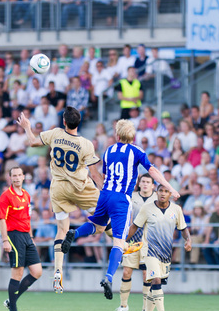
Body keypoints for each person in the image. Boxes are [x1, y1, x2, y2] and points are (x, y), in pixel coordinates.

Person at [61, 120, 179, 300]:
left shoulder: (108, 151)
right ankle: (108, 278)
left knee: (98, 226)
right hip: (122, 199)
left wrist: (105, 192)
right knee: (118, 242)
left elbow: (100, 175)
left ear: (117, 135)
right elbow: (152, 170)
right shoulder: (136, 151)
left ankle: (74, 233)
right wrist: (169, 187)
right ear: (133, 137)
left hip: (105, 194)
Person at [17, 106, 102, 293]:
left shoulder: (55, 134)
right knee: (105, 219)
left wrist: (27, 126)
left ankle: (57, 272)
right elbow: (95, 174)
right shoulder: (86, 144)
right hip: (80, 187)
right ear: (78, 123)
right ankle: (124, 244)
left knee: (61, 230)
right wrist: (106, 189)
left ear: (64, 122)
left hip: (58, 188)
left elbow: (32, 142)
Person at [126, 184, 191, 311]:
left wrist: (188, 240)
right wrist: (123, 242)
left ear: (170, 194)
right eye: (160, 190)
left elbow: (183, 228)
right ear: (156, 192)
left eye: (166, 191)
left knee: (156, 286)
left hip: (166, 253)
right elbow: (135, 226)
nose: (163, 193)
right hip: (149, 251)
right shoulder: (147, 208)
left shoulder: (176, 210)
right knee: (155, 280)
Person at [0, 166, 43, 311]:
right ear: (10, 178)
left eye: (19, 175)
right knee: (17, 273)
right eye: (14, 176)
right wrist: (5, 240)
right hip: (13, 235)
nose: (17, 178)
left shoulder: (26, 195)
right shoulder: (6, 196)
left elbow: (27, 218)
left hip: (26, 236)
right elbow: (2, 219)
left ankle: (12, 301)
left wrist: (31, 238)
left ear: (24, 177)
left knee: (37, 272)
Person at [114, 173, 156, 311]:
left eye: (148, 182)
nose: (145, 184)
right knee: (126, 272)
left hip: (149, 243)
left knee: (146, 275)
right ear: (139, 183)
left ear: (152, 185)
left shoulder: (157, 199)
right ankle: (123, 306)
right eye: (142, 181)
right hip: (131, 241)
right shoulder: (131, 197)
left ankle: (145, 309)